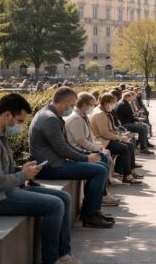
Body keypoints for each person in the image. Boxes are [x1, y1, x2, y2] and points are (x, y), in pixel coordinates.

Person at [0, 93, 93, 264]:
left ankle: (63, 256)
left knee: (63, 198)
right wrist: (23, 175)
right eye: (19, 120)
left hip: (3, 191)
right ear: (7, 115)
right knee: (54, 205)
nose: (19, 125)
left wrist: (22, 170)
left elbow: (0, 171)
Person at [30, 87, 114, 228]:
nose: (73, 107)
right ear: (64, 102)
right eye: (72, 104)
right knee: (99, 170)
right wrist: (85, 158)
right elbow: (62, 149)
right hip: (50, 167)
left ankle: (92, 211)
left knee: (101, 166)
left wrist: (85, 156)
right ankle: (90, 215)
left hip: (56, 162)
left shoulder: (50, 114)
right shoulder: (49, 119)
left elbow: (65, 145)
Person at [64, 93, 123, 205]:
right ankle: (103, 196)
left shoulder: (82, 116)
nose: (92, 107)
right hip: (78, 152)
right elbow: (80, 140)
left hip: (84, 149)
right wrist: (96, 148)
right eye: (91, 105)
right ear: (85, 105)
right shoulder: (76, 118)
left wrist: (97, 146)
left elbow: (89, 136)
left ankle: (103, 194)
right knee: (102, 160)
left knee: (104, 157)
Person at [90, 93, 142, 185]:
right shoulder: (100, 114)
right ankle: (127, 176)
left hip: (107, 138)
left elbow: (112, 127)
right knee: (124, 148)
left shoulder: (106, 112)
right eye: (113, 103)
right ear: (106, 103)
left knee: (129, 145)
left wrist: (121, 134)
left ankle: (128, 171)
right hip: (101, 141)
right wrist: (120, 138)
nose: (114, 105)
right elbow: (104, 133)